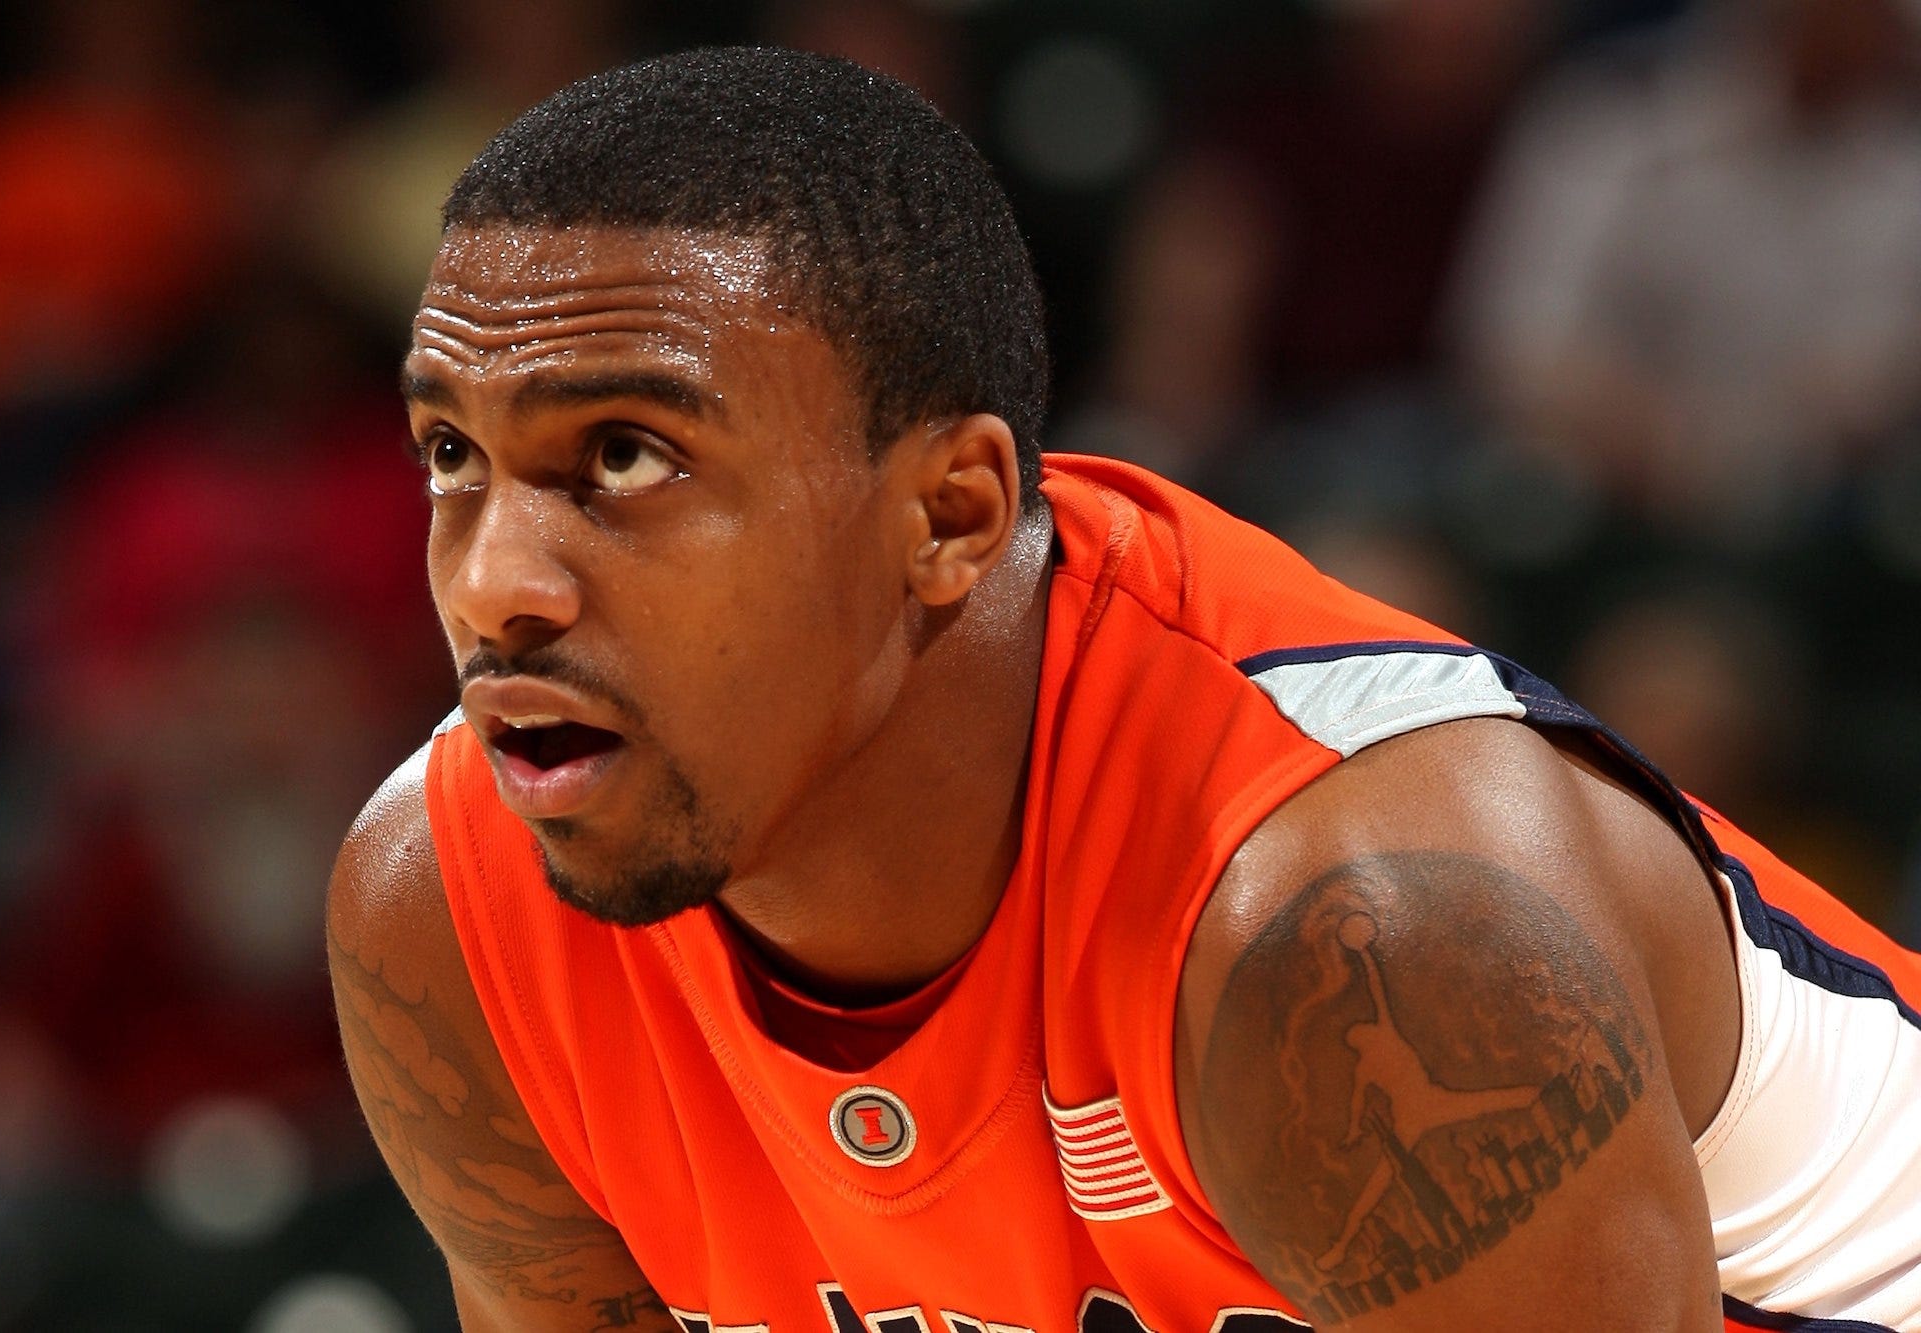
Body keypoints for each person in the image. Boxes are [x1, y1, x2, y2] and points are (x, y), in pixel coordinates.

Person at [326, 48, 1921, 1333]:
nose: (492, 582)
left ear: (949, 517)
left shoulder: (1364, 925)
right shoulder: (452, 905)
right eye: (453, 457)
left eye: (624, 457)